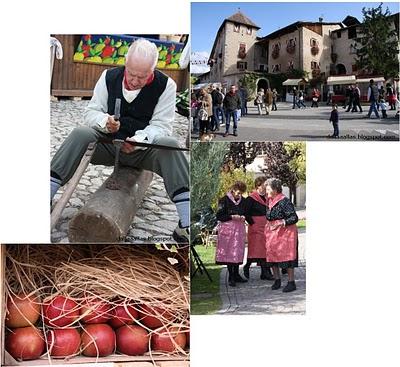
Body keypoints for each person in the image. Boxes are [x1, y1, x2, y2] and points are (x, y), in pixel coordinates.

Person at [50, 38, 189, 242]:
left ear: (152, 69)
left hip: (143, 152)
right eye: (131, 73)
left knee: (171, 145)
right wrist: (104, 122)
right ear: (126, 62)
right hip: (108, 146)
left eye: (142, 77)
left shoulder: (167, 85)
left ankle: (186, 223)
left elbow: (162, 125)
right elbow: (90, 112)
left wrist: (139, 139)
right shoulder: (108, 77)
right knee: (80, 133)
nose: (134, 81)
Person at [264, 178, 299, 293]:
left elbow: (294, 218)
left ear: (275, 189)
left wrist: (281, 222)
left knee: (288, 257)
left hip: (285, 234)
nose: (266, 191)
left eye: (268, 189)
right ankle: (277, 280)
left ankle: (291, 282)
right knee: (272, 255)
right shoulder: (269, 200)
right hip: (272, 233)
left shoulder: (284, 201)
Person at [215, 181, 248, 287]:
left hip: (239, 230)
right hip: (228, 230)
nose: (239, 195)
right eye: (238, 193)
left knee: (238, 252)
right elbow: (219, 216)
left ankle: (237, 274)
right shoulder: (224, 200)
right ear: (233, 190)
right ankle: (231, 276)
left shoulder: (243, 201)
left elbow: (245, 212)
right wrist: (232, 217)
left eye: (241, 193)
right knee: (230, 252)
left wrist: (243, 217)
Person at [244, 176, 274, 280]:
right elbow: (246, 213)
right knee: (256, 250)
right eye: (263, 185)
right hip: (256, 227)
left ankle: (264, 272)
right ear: (258, 186)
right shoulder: (251, 198)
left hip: (266, 226)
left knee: (265, 249)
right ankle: (247, 266)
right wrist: (252, 223)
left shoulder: (267, 198)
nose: (265, 187)